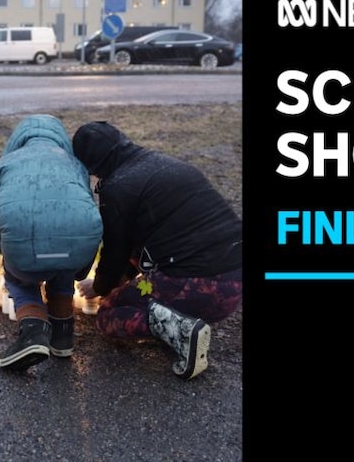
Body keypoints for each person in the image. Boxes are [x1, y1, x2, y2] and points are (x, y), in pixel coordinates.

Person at [72, 121, 242, 380]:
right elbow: (132, 249)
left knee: (108, 316)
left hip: (202, 286)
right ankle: (180, 319)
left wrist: (101, 288)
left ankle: (182, 330)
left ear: (92, 165)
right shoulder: (165, 163)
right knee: (133, 291)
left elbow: (116, 252)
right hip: (235, 279)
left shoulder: (118, 187)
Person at [0, 114, 102, 371]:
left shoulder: (5, 163)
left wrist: (6, 248)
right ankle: (62, 336)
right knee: (62, 263)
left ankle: (33, 333)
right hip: (77, 250)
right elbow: (84, 208)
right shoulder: (76, 164)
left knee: (20, 279)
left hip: (25, 250)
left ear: (18, 139)